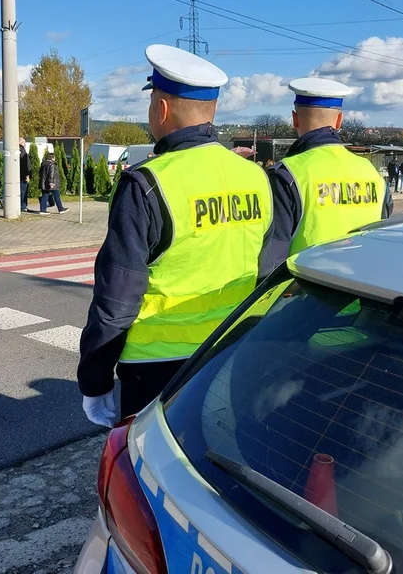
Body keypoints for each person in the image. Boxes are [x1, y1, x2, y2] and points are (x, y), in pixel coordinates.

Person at [78, 44, 274, 426]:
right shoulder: (256, 177)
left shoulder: (147, 183)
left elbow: (116, 300)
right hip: (226, 350)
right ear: (211, 111)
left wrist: (94, 380)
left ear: (162, 109)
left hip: (154, 367)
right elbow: (263, 270)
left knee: (151, 472)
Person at [266, 77, 390, 264]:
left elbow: (272, 256)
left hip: (308, 288)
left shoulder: (287, 174)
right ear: (339, 121)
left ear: (295, 119)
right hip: (362, 284)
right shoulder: (371, 172)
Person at [19, 138, 31, 213]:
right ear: (22, 143)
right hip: (23, 175)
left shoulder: (17, 150)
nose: (25, 144)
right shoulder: (22, 151)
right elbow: (25, 164)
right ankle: (24, 206)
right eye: (24, 143)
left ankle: (22, 206)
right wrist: (27, 174)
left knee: (20, 190)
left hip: (18, 174)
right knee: (23, 191)